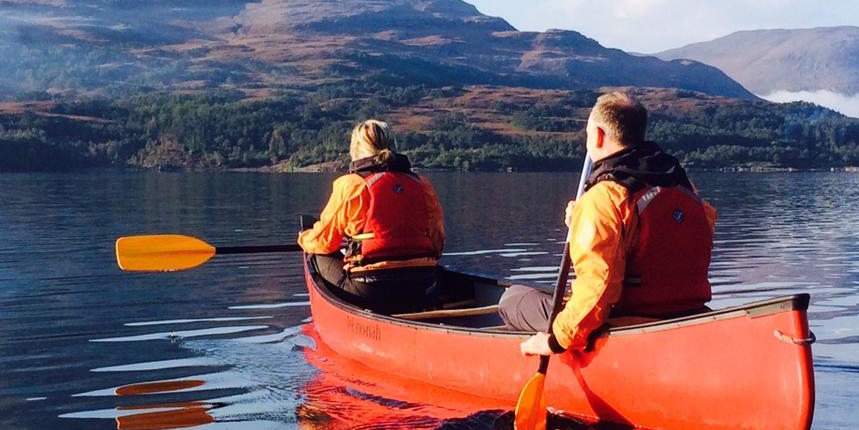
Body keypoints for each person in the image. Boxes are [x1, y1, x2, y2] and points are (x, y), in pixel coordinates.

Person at [499, 91, 716, 355]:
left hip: (624, 320)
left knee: (513, 299)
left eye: (588, 133)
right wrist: (581, 223)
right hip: (686, 311)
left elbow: (598, 287)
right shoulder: (683, 186)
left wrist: (553, 341)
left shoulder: (605, 196)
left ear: (599, 135)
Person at [298, 119, 445, 314]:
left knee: (314, 252)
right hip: (422, 286)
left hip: (370, 290)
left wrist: (304, 236)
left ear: (356, 149)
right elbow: (437, 244)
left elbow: (325, 242)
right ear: (393, 146)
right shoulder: (422, 184)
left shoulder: (351, 184)